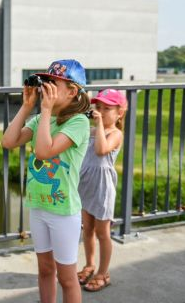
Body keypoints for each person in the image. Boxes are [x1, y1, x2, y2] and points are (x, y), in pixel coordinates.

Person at [1, 59, 91, 303]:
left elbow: (43, 152)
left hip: (63, 211)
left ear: (72, 91)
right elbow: (8, 142)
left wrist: (47, 111)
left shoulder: (79, 122)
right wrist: (27, 106)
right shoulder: (42, 118)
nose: (46, 88)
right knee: (45, 270)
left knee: (67, 277)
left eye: (53, 83)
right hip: (39, 206)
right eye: (45, 83)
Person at [77, 89, 127, 292]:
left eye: (108, 108)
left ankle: (103, 273)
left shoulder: (115, 134)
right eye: (98, 107)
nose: (102, 112)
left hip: (102, 187)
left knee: (102, 232)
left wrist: (98, 124)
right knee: (87, 229)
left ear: (119, 113)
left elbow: (101, 150)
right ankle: (89, 264)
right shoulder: (91, 131)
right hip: (86, 184)